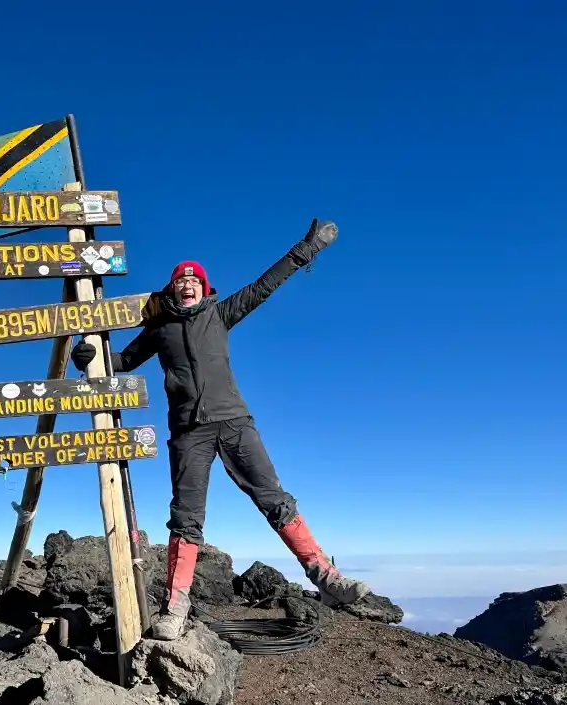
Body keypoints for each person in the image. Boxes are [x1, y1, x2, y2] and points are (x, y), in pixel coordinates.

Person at [68, 219, 371, 640]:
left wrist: (307, 248)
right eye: (181, 281)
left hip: (233, 423)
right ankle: (175, 606)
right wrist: (88, 356)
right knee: (186, 517)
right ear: (172, 289)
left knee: (274, 499)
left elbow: (263, 286)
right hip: (188, 431)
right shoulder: (159, 329)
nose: (188, 285)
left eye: (194, 281)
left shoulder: (220, 313)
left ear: (204, 288)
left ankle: (325, 576)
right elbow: (124, 360)